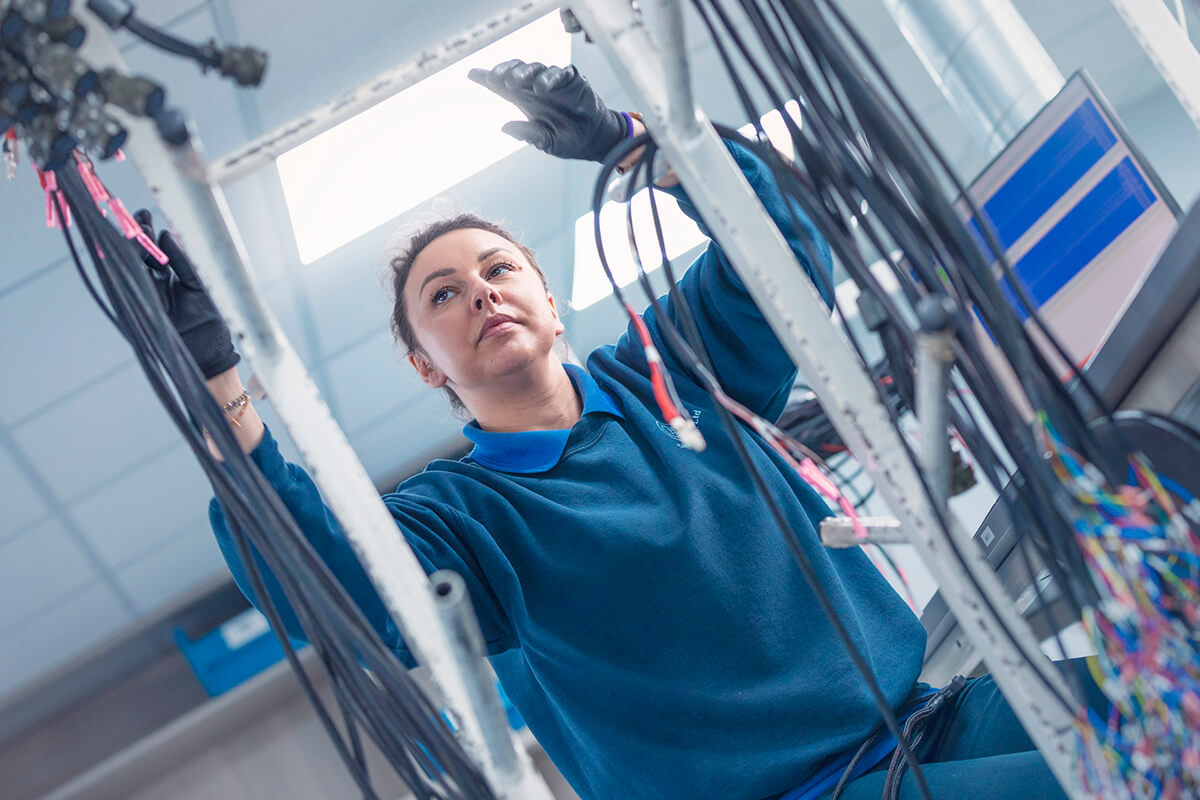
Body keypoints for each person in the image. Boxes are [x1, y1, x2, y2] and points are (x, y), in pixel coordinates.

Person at [150, 59, 1104, 800]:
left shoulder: (672, 375)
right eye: (444, 295)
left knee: (1159, 708)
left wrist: (634, 145)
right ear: (424, 366)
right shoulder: (460, 520)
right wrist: (220, 387)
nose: (480, 289)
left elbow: (782, 255)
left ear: (550, 298)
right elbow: (330, 586)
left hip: (930, 717)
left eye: (498, 267)